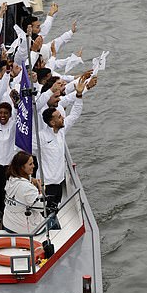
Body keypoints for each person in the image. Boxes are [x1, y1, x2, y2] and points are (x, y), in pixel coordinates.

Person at [39, 75, 88, 215]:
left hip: (59, 181)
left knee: (54, 210)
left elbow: (75, 115)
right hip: (45, 184)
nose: (63, 117)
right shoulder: (40, 137)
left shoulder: (61, 132)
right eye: (59, 117)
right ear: (52, 122)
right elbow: (23, 148)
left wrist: (79, 95)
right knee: (45, 214)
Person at [2, 151, 44, 234]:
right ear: (22, 167)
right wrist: (41, 189)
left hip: (8, 224)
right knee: (54, 221)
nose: (33, 166)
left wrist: (32, 180)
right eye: (30, 164)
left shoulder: (10, 179)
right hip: (24, 228)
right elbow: (42, 208)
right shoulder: (28, 188)